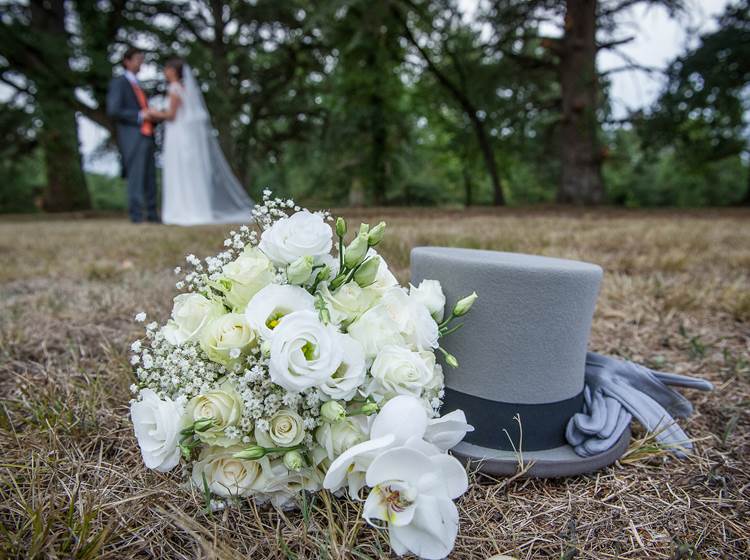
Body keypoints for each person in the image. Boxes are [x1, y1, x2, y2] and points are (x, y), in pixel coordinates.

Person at [146, 58, 254, 225]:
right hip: (181, 134)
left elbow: (171, 115)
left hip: (177, 135)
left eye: (167, 69)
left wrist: (152, 113)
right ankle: (193, 208)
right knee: (185, 172)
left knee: (179, 170)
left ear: (174, 71)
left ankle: (181, 211)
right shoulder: (184, 89)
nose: (165, 72)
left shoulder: (174, 88)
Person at [106, 47, 159, 223]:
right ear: (127, 61)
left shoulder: (139, 85)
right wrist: (139, 115)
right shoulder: (119, 83)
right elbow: (113, 110)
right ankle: (136, 215)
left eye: (142, 59)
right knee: (136, 177)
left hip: (148, 134)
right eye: (137, 59)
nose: (140, 63)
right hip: (132, 136)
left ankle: (152, 213)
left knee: (150, 176)